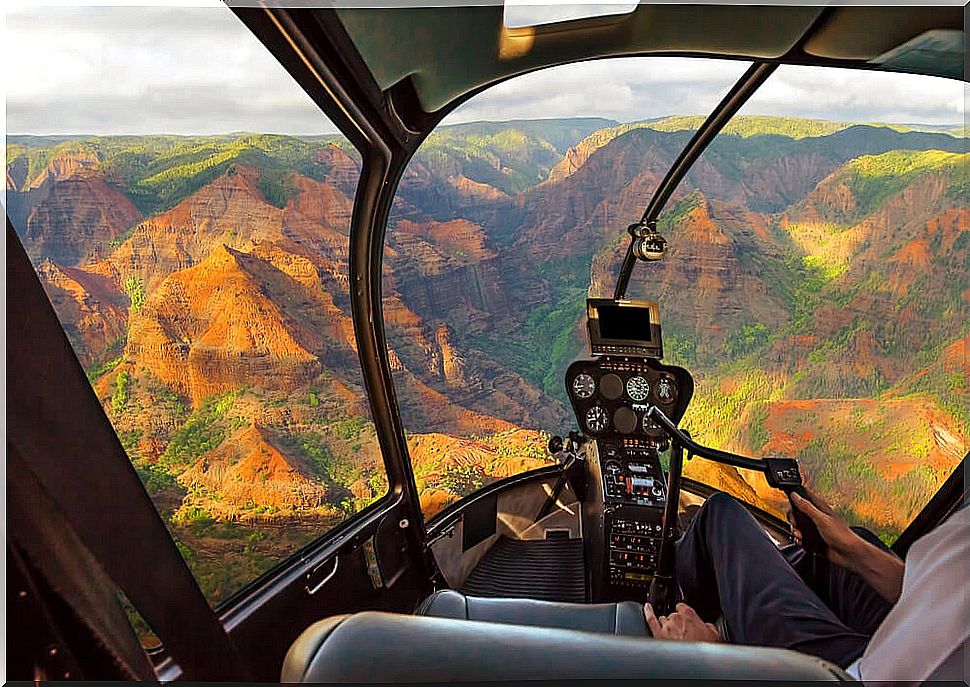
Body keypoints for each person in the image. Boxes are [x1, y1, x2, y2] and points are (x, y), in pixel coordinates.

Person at [643, 489, 968, 682]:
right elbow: (943, 592)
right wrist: (852, 550)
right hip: (906, 641)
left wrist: (714, 659)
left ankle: (678, 613)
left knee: (721, 516)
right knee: (843, 550)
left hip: (848, 675)